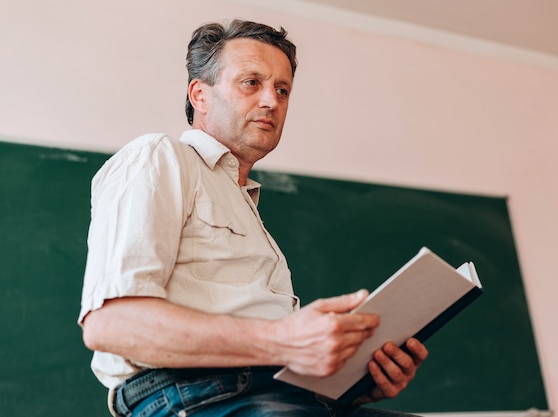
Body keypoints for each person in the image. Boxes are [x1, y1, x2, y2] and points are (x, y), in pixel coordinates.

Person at [78, 19, 428, 417]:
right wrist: (285, 339)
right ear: (200, 95)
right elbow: (111, 324)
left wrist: (355, 383)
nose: (271, 101)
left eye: (282, 90)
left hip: (283, 395)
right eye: (251, 83)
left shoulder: (245, 207)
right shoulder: (158, 156)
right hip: (194, 396)